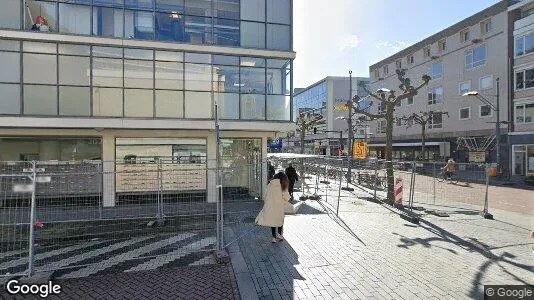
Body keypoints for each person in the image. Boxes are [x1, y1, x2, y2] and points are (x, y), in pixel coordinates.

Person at [255, 172, 291, 243]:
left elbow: (266, 196)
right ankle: (280, 235)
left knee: (273, 222)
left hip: (270, 206)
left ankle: (274, 238)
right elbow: (286, 197)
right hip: (279, 207)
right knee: (279, 221)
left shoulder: (270, 184)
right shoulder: (282, 185)